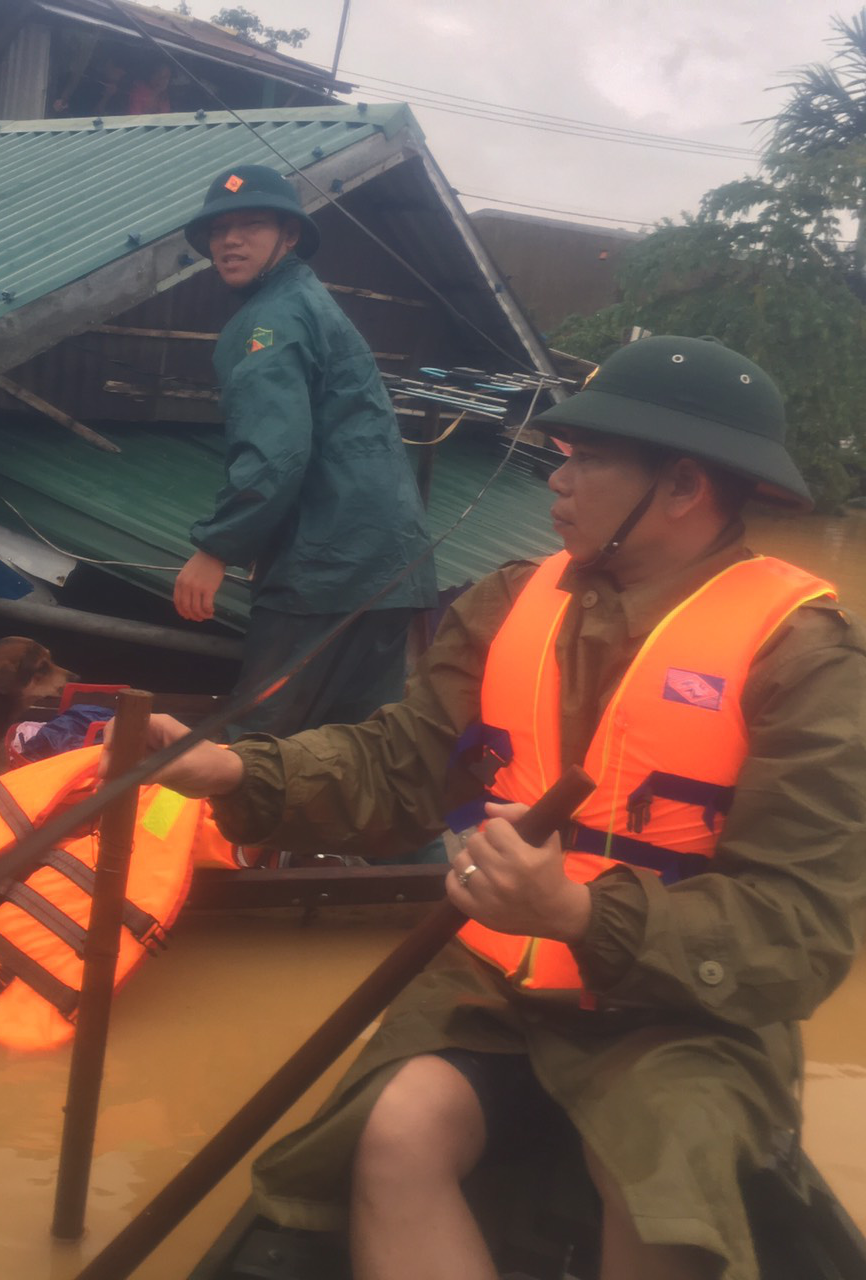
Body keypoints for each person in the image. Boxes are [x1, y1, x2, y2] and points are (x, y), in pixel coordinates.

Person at [121, 336, 866, 1279]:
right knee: (394, 1133)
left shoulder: (806, 663)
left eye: (589, 459)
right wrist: (241, 773)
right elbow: (400, 768)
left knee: (658, 1182)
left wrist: (578, 912)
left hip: (683, 1011)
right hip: (499, 992)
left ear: (683, 488)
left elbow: (798, 932)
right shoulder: (510, 600)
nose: (558, 478)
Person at [177, 165, 437, 738]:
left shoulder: (269, 318)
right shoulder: (308, 300)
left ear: (289, 236)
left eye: (253, 225)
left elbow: (275, 453)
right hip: (386, 565)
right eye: (220, 229)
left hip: (326, 569)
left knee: (256, 752)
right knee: (362, 757)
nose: (231, 240)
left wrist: (216, 548)